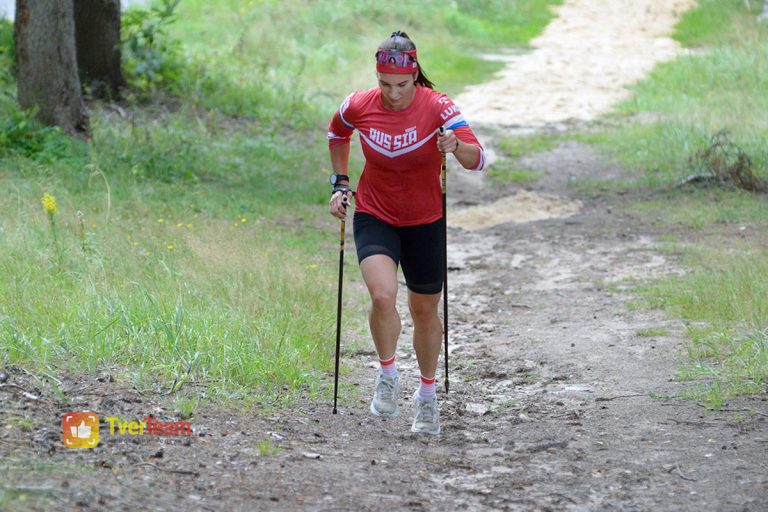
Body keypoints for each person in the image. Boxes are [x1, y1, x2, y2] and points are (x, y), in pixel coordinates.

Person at [327, 31, 486, 434]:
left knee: (425, 310)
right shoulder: (359, 105)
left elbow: (477, 159)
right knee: (382, 297)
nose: (393, 93)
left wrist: (454, 145)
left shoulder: (439, 107)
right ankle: (387, 375)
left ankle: (427, 396)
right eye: (385, 84)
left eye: (401, 85)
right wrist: (341, 184)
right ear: (376, 78)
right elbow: (337, 133)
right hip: (375, 213)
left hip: (425, 221)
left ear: (415, 77)